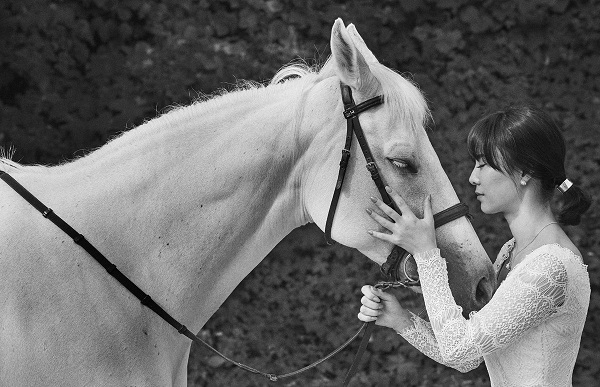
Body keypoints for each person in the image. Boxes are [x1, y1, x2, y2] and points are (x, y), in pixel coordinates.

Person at [358, 105, 591, 386]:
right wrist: (401, 320)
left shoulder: (550, 266)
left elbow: (460, 349)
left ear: (524, 172)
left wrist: (426, 254)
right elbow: (469, 357)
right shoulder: (512, 252)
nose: (472, 177)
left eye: (483, 164)